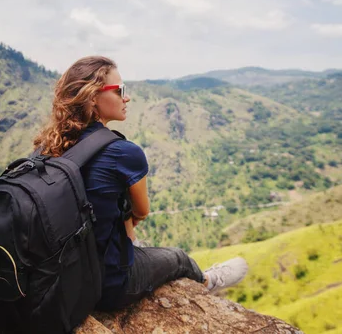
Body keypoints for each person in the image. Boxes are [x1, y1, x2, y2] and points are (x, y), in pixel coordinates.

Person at [33, 56, 248, 311]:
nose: (127, 97)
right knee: (177, 257)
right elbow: (141, 211)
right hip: (106, 286)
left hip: (56, 276)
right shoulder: (123, 153)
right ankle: (208, 281)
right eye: (120, 90)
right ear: (92, 98)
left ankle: (132, 246)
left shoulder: (45, 147)